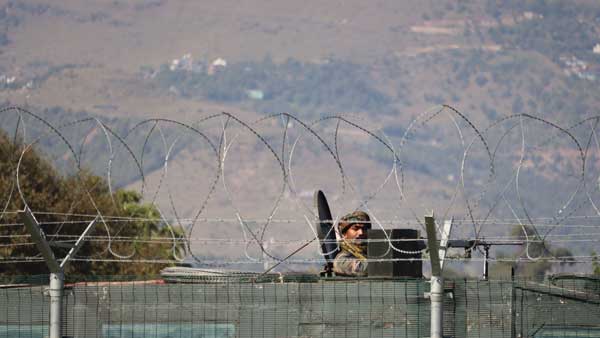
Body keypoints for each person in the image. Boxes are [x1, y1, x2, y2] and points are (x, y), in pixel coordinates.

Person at [332, 210, 371, 276]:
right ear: (344, 234)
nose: (361, 233)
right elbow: (363, 268)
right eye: (355, 228)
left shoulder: (369, 252)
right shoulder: (341, 259)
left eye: (364, 229)